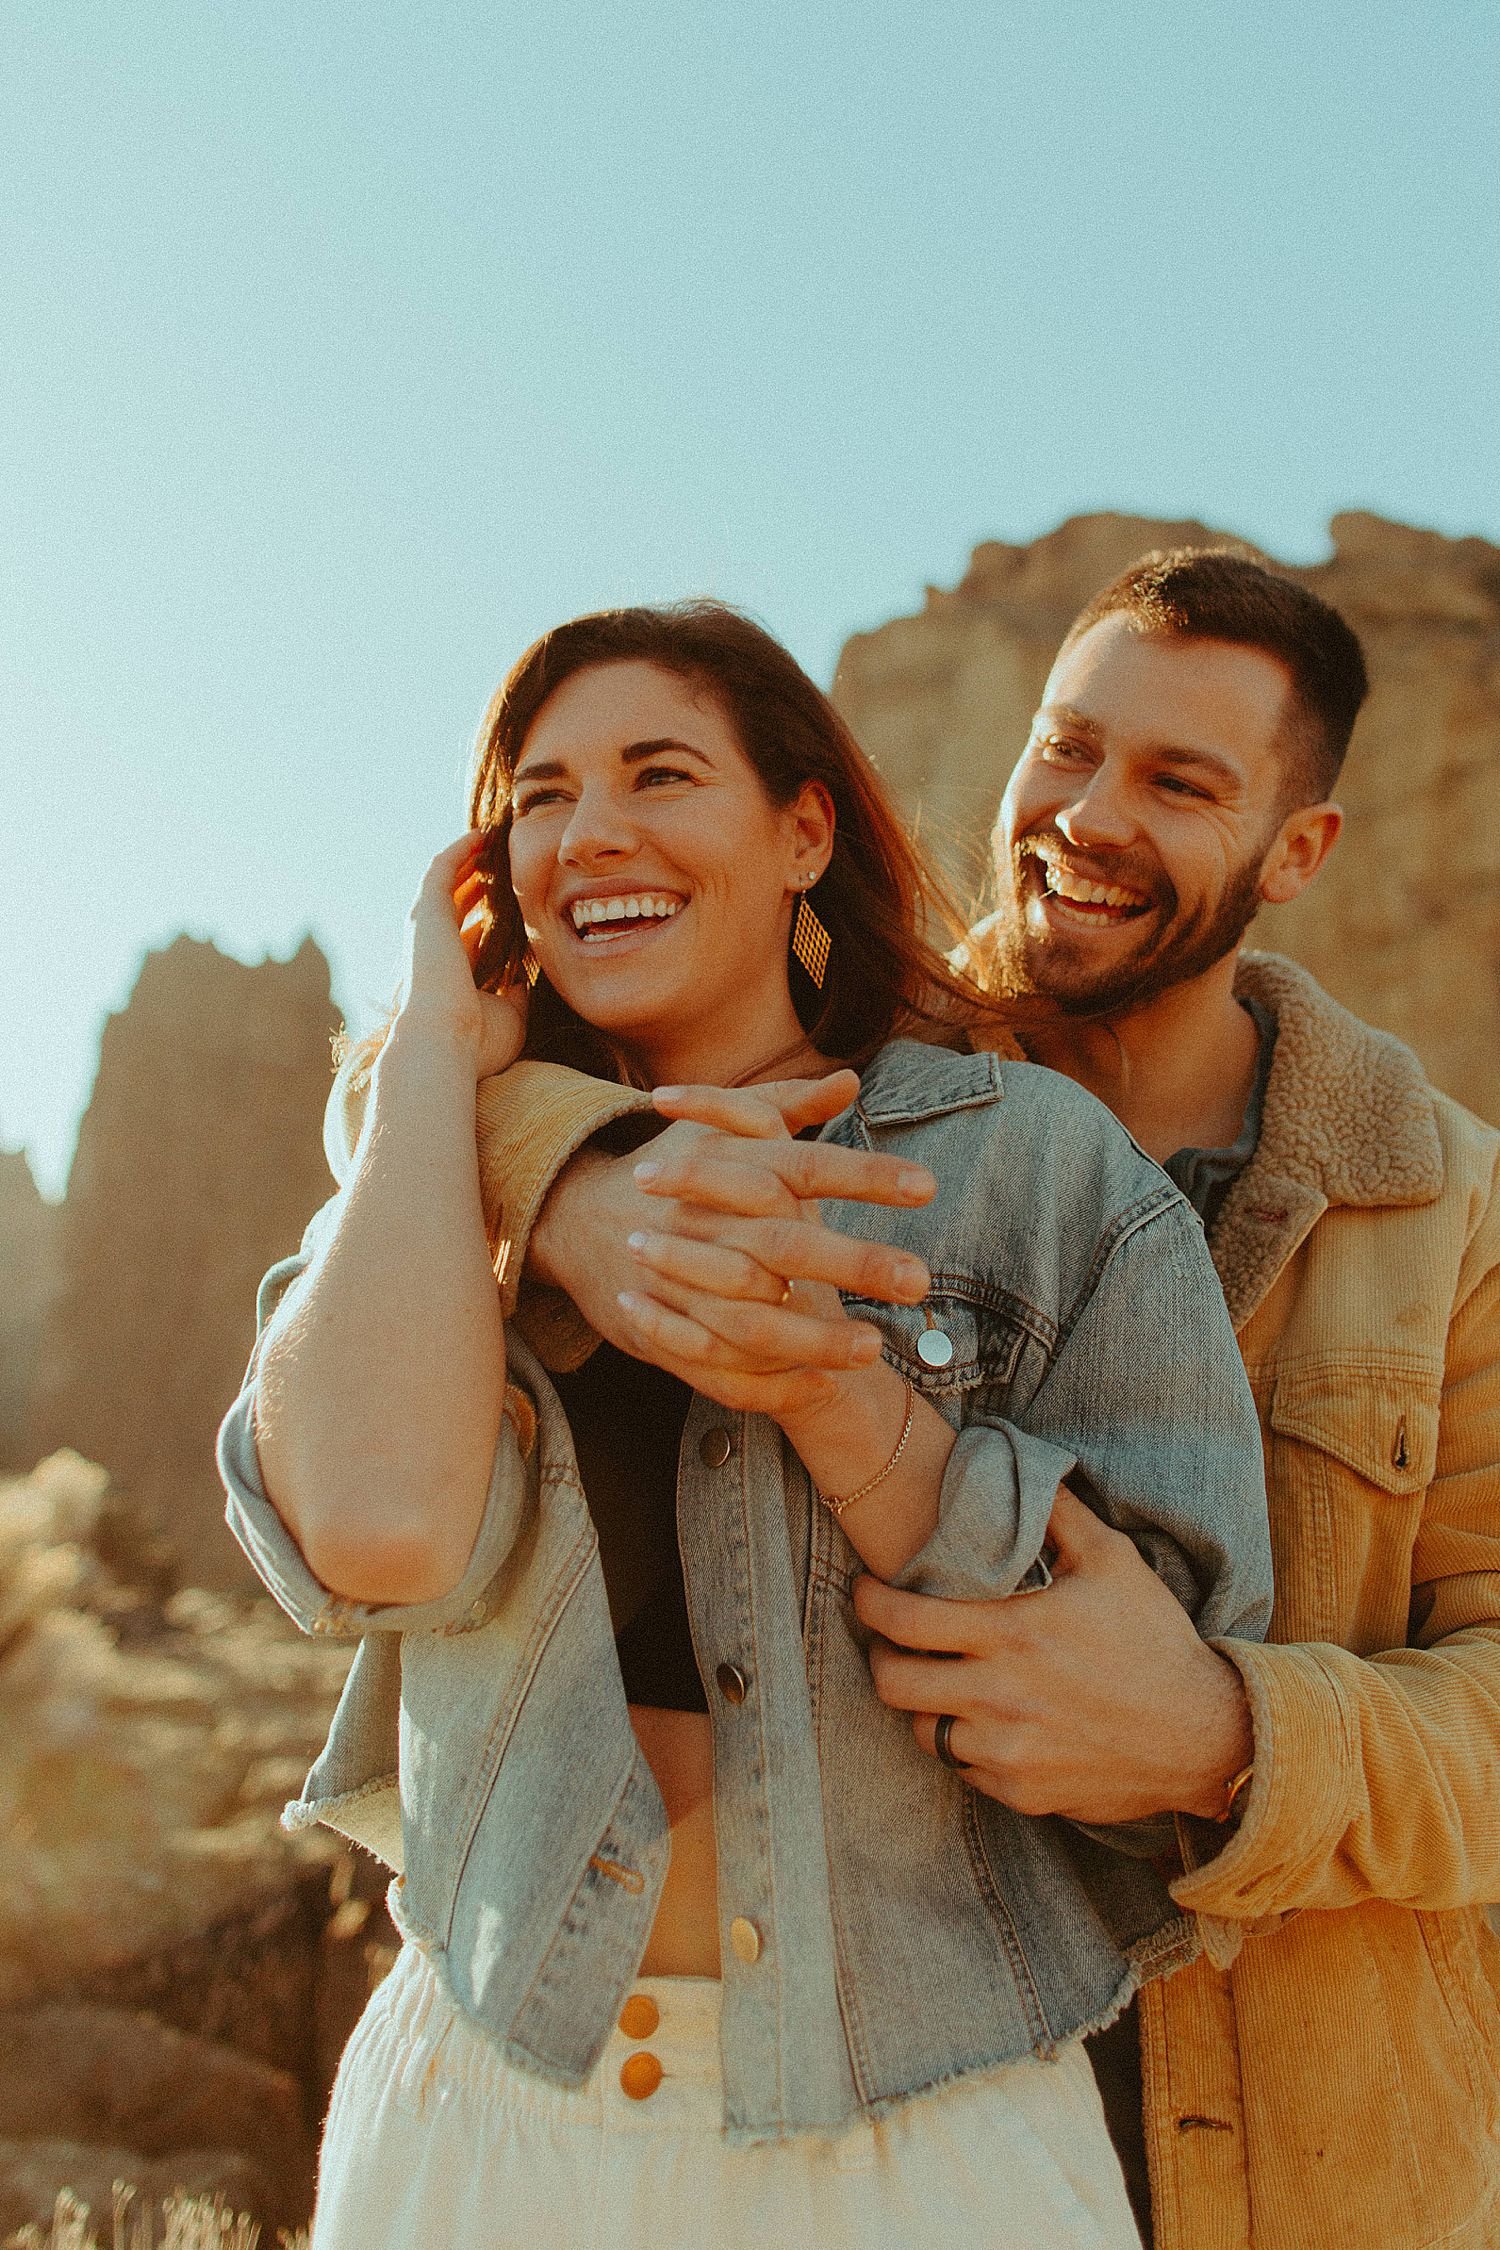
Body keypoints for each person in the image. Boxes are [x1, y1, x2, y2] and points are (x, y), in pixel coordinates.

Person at [218, 601, 1274, 2250]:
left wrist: (841, 1399)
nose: (594, 831)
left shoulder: (1038, 1169)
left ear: (801, 832)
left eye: (659, 772)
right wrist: (440, 1052)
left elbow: (1176, 1740)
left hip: (926, 2139)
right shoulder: (435, 1172)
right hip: (490, 2119)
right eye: (544, 793)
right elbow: (371, 1527)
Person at [499, 555, 1500, 2250]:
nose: (1087, 814)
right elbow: (415, 1067)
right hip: (882, 2142)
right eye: (1068, 747)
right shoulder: (824, 1050)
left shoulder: (1452, 1215)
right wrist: (574, 1189)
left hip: (1314, 2176)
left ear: (1299, 848)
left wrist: (1229, 1734)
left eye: (1181, 784)